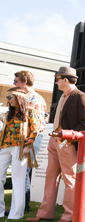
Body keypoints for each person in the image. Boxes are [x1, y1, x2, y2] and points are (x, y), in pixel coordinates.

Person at [27, 66, 85, 222]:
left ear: (65, 79)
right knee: (50, 178)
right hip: (54, 141)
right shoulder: (63, 96)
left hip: (66, 143)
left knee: (70, 180)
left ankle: (69, 216)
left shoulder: (81, 97)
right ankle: (44, 213)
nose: (56, 82)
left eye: (58, 79)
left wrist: (68, 138)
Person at [0, 88, 40, 219]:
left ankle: (16, 214)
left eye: (10, 97)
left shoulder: (30, 111)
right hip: (5, 147)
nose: (8, 100)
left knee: (18, 179)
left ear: (19, 97)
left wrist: (28, 144)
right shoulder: (8, 113)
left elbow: (35, 129)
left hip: (20, 147)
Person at [13, 70, 47, 212]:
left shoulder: (35, 99)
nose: (14, 84)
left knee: (24, 171)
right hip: (21, 138)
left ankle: (23, 205)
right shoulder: (22, 97)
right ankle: (20, 204)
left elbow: (37, 125)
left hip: (32, 138)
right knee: (22, 171)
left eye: (16, 81)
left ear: (24, 82)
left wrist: (29, 143)